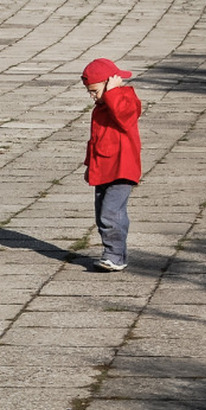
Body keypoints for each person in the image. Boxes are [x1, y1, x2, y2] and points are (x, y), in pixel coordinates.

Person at [81, 58, 142, 272]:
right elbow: (95, 140)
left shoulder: (125, 98)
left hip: (122, 170)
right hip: (104, 170)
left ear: (109, 83)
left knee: (111, 213)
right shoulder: (100, 108)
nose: (92, 96)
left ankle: (113, 255)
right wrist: (90, 165)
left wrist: (112, 92)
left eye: (95, 90)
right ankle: (118, 255)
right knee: (103, 215)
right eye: (89, 91)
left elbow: (125, 117)